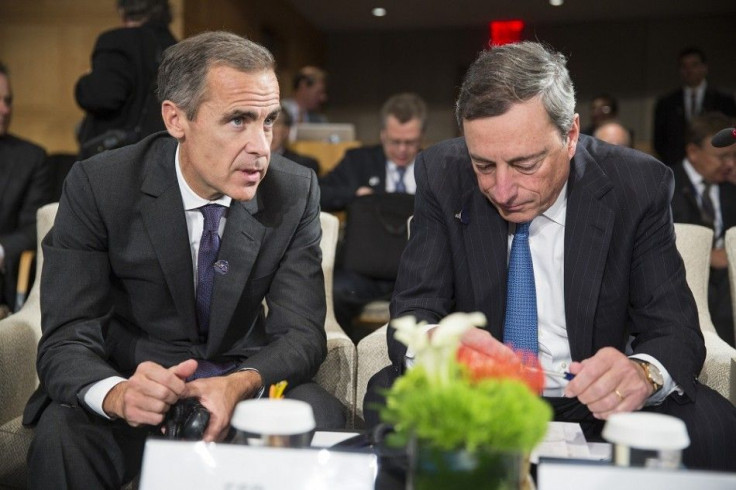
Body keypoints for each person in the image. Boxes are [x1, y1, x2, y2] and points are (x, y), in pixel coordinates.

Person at [365, 42, 736, 472]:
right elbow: (413, 310)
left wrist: (640, 373)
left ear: (571, 135)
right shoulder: (441, 172)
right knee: (387, 398)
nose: (502, 191)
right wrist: (441, 348)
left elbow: (675, 329)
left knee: (712, 426)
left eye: (525, 164)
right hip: (478, 400)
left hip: (597, 404)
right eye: (484, 166)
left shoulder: (636, 185)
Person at [23, 31, 345, 489]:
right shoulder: (101, 185)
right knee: (62, 434)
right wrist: (117, 394)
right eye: (238, 120)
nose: (261, 147)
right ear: (177, 119)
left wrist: (239, 384)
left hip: (238, 388)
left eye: (268, 120)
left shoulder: (293, 191)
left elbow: (302, 334)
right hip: (134, 383)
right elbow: (65, 337)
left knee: (320, 413)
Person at [319, 93, 427, 337]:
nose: (401, 149)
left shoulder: (433, 167)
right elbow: (318, 193)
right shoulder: (359, 162)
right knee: (333, 293)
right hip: (362, 273)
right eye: (394, 141)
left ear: (421, 138)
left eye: (410, 143)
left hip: (413, 275)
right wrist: (354, 193)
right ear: (382, 135)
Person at [75, 0, 177, 158]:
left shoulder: (117, 41)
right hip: (163, 153)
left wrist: (86, 80)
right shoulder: (178, 47)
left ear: (124, 11)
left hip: (117, 157)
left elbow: (102, 97)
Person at [670, 112, 736, 347]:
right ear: (693, 152)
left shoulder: (730, 186)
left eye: (733, 156)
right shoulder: (665, 184)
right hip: (683, 281)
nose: (729, 163)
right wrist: (709, 256)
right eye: (722, 156)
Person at [0, 61, 51, 316]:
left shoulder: (31, 158)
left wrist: (0, 250)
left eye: (8, 100)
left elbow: (35, 227)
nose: (5, 109)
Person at [653, 47, 736, 167]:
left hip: (717, 167)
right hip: (677, 166)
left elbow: (730, 135)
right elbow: (659, 142)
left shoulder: (724, 100)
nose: (689, 70)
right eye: (684, 66)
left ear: (704, 67)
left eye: (694, 65)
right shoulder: (666, 103)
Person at [270, 104, 320, 174]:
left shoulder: (303, 167)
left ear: (286, 131)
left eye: (276, 123)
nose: (270, 130)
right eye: (266, 122)